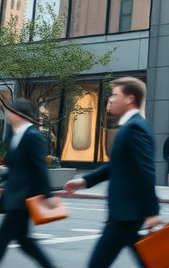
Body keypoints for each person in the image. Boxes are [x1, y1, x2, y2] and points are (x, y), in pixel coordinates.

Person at [63, 77, 161, 268]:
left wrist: (151, 212)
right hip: (126, 213)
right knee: (149, 262)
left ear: (130, 99)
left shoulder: (135, 128)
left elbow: (145, 171)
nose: (110, 99)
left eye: (115, 95)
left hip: (126, 214)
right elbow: (115, 165)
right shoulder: (131, 126)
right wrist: (84, 181)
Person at [0, 99, 58, 268]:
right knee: (24, 240)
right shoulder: (15, 135)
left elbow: (40, 168)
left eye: (9, 111)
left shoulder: (33, 136)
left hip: (24, 197)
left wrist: (48, 195)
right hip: (15, 196)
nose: (7, 114)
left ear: (19, 114)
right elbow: (19, 168)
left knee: (0, 240)